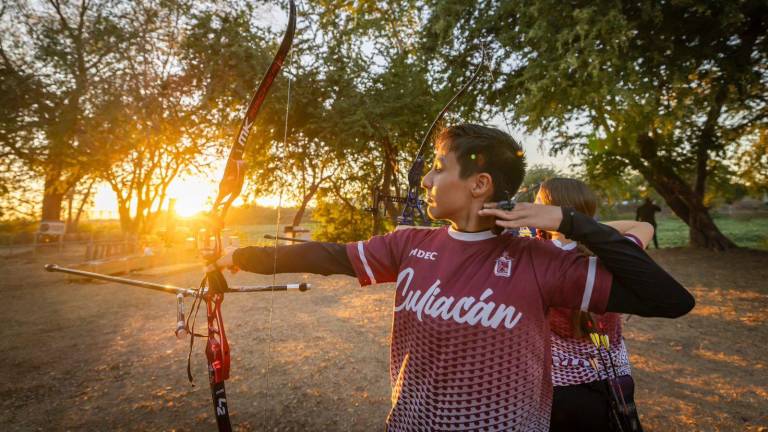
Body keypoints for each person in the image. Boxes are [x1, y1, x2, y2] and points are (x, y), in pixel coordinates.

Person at [216, 124, 694, 431]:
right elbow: (328, 256)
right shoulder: (407, 244)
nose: (426, 181)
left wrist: (568, 221)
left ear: (479, 184)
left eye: (440, 169)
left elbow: (670, 300)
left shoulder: (538, 259)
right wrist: (241, 255)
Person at [532, 178, 651, 432]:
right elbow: (642, 226)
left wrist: (563, 225)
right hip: (616, 382)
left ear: (549, 211)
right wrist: (584, 226)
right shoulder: (611, 254)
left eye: (538, 202)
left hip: (560, 390)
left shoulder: (535, 257)